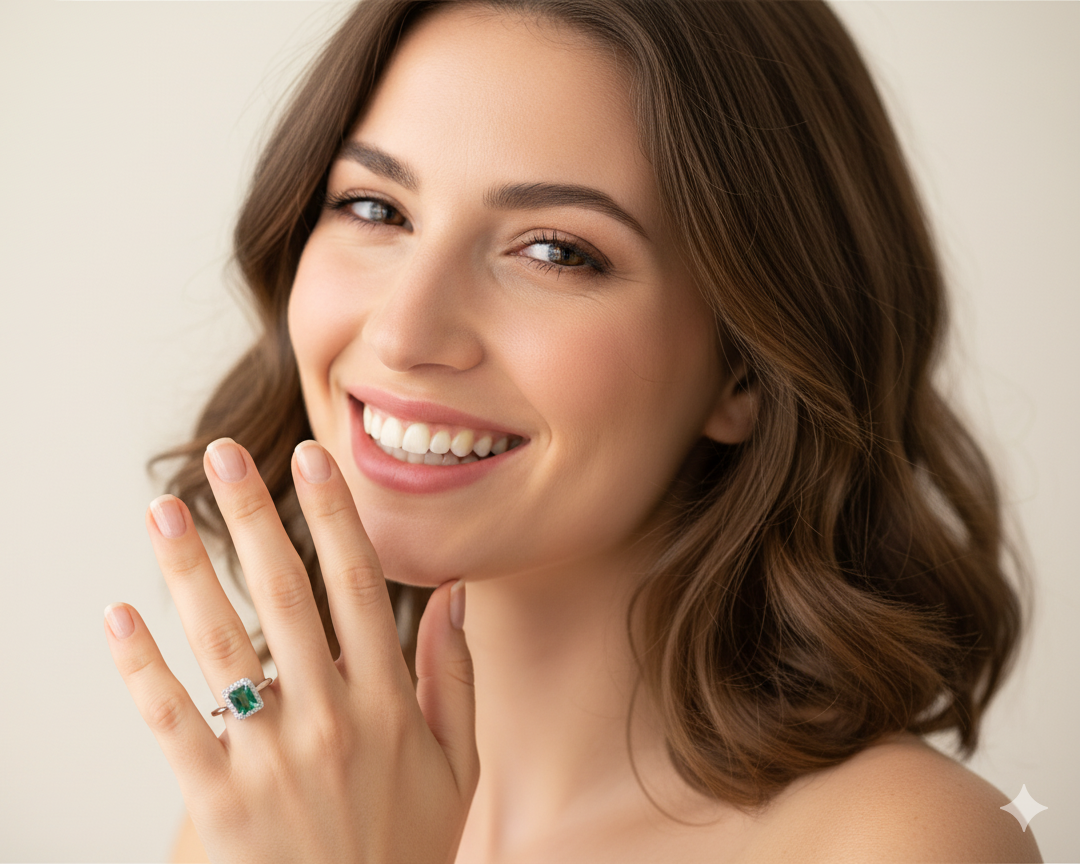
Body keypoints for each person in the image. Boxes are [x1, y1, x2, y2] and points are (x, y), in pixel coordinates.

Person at [102, 1, 1043, 861]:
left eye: (555, 251)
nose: (402, 333)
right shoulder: (282, 802)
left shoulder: (907, 844)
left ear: (747, 367)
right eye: (373, 207)